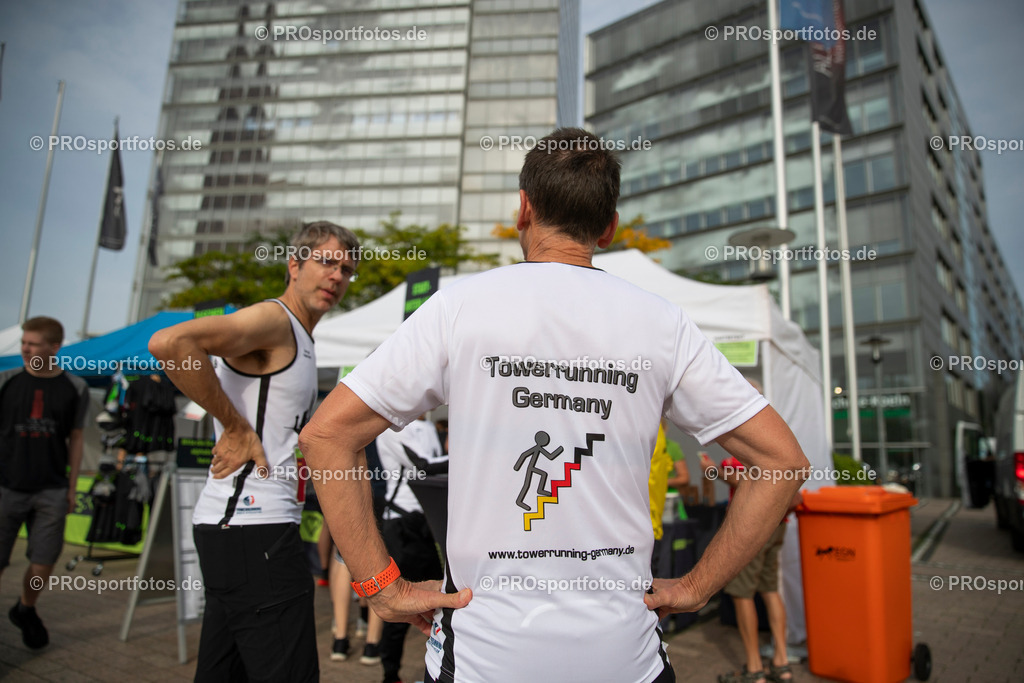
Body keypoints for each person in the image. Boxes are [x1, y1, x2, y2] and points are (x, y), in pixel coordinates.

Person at [299, 127, 809, 683]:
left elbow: (326, 435)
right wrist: (695, 587)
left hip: (482, 659)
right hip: (624, 659)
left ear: (524, 208)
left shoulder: (461, 307)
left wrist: (382, 587)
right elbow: (782, 462)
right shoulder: (663, 324)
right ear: (609, 227)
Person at [149, 222, 359, 682]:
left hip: (239, 530)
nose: (337, 275)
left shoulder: (303, 335)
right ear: (295, 264)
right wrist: (235, 425)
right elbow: (171, 344)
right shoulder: (275, 319)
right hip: (254, 529)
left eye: (346, 268)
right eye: (326, 261)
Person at [1, 317, 89, 649]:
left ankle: (26, 608)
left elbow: (77, 438)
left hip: (51, 490)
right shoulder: (6, 381)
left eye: (33, 343)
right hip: (6, 487)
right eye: (24, 342)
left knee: (44, 561)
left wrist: (71, 487)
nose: (25, 349)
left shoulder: (75, 388)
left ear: (53, 347)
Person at [700, 450, 799, 683]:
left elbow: (749, 481)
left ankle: (755, 670)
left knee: (741, 594)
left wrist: (713, 470)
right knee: (770, 590)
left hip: (752, 526)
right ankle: (781, 664)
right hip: (777, 523)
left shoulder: (745, 446)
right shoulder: (773, 446)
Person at [374, 414, 448, 683]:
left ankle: (438, 668)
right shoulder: (390, 428)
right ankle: (390, 674)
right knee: (400, 607)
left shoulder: (428, 426)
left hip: (428, 521)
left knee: (439, 600)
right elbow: (423, 466)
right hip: (401, 523)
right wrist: (466, 455)